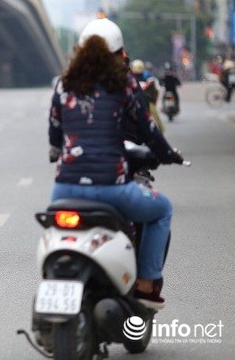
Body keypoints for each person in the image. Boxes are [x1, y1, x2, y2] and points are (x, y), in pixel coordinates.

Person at [48, 18, 183, 309]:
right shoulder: (124, 84)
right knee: (162, 209)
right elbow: (148, 130)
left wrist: (59, 151)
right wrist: (168, 154)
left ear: (79, 51)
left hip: (63, 189)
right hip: (112, 187)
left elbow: (55, 133)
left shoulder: (63, 84)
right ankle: (146, 284)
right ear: (119, 53)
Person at [130, 59, 164, 132]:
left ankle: (159, 131)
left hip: (146, 101)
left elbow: (155, 90)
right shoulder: (128, 77)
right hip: (131, 103)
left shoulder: (148, 77)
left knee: (156, 119)